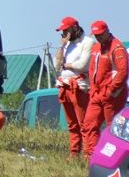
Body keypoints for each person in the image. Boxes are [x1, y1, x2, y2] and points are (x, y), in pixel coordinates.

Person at [83, 20, 127, 158]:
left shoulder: (117, 48)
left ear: (107, 31)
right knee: (89, 124)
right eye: (95, 35)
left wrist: (111, 91)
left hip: (112, 95)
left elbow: (123, 71)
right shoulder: (96, 48)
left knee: (112, 128)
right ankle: (91, 156)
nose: (98, 37)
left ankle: (114, 158)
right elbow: (92, 70)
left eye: (100, 34)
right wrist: (93, 89)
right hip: (96, 94)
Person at [52, 16, 94, 157]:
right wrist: (62, 46)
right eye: (62, 31)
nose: (64, 34)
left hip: (80, 87)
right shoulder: (66, 45)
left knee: (84, 123)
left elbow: (83, 65)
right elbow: (57, 66)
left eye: (66, 30)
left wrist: (67, 65)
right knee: (72, 124)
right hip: (65, 86)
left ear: (75, 28)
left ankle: (88, 154)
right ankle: (74, 152)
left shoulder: (88, 42)